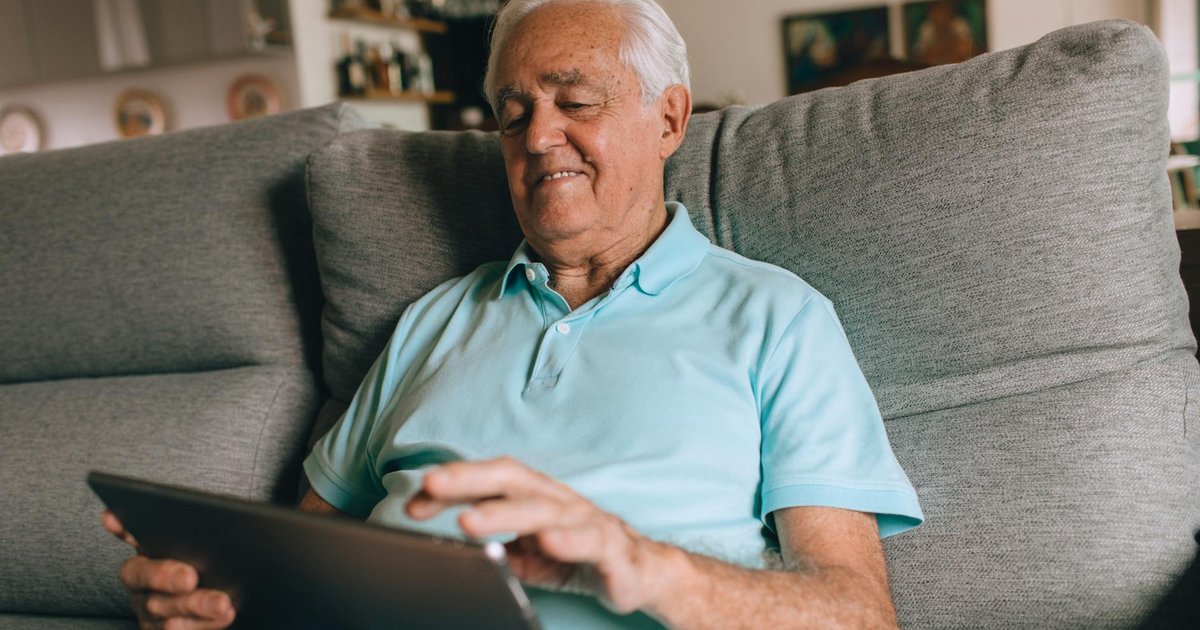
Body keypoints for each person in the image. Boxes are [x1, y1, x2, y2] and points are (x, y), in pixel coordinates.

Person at [103, 0, 923, 627]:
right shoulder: (432, 321)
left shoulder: (777, 317)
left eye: (575, 101)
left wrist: (642, 564)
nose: (537, 138)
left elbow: (856, 612)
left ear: (669, 118)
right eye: (514, 112)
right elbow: (298, 555)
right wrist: (213, 600)